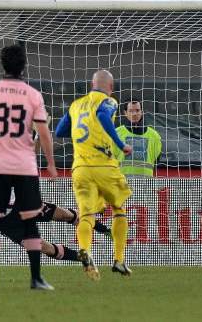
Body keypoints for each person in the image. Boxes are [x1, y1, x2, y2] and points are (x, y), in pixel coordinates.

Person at [0, 44, 58, 290]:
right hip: (25, 165)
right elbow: (44, 133)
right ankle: (36, 279)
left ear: (2, 64)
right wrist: (50, 163)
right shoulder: (32, 94)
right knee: (30, 221)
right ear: (24, 65)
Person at [0, 139, 112, 264]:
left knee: (65, 215)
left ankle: (105, 230)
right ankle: (83, 259)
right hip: (6, 222)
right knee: (43, 247)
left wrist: (37, 136)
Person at [55, 69, 133, 280]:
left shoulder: (75, 105)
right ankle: (118, 260)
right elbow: (102, 115)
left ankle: (85, 250)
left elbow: (60, 131)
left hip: (80, 168)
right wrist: (121, 144)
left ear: (91, 85)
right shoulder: (109, 101)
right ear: (111, 87)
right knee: (119, 209)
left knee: (86, 215)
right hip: (104, 166)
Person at [115, 100, 162, 177]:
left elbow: (156, 161)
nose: (134, 114)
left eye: (137, 110)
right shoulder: (116, 133)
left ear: (142, 112)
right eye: (131, 111)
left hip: (146, 184)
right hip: (121, 183)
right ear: (125, 113)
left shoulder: (154, 136)